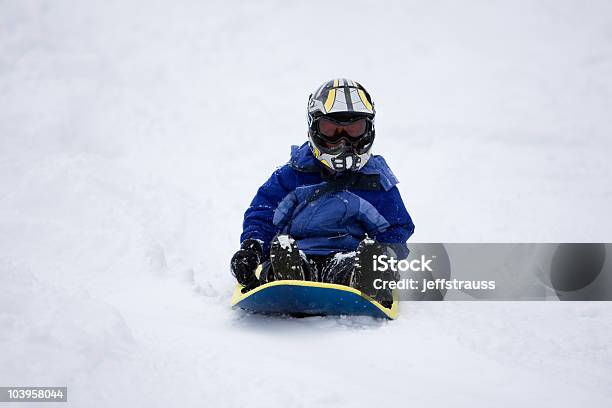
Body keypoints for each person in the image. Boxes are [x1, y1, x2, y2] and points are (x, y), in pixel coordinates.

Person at [230, 78, 414, 305]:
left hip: (347, 257)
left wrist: (385, 256)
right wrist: (253, 247)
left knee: (350, 268)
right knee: (284, 259)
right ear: (313, 128)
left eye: (354, 130)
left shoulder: (375, 182)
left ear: (369, 130)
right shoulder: (293, 175)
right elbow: (264, 213)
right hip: (297, 252)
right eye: (331, 130)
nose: (343, 141)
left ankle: (364, 276)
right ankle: (285, 276)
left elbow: (397, 226)